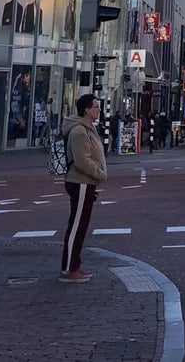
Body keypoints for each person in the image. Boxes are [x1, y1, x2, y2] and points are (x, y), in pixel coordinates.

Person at [60, 94, 106, 283]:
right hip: (80, 181)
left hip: (86, 183)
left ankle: (74, 265)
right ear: (87, 110)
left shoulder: (88, 128)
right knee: (76, 226)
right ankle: (69, 269)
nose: (99, 110)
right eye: (96, 107)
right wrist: (100, 174)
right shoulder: (79, 131)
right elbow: (82, 160)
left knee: (80, 226)